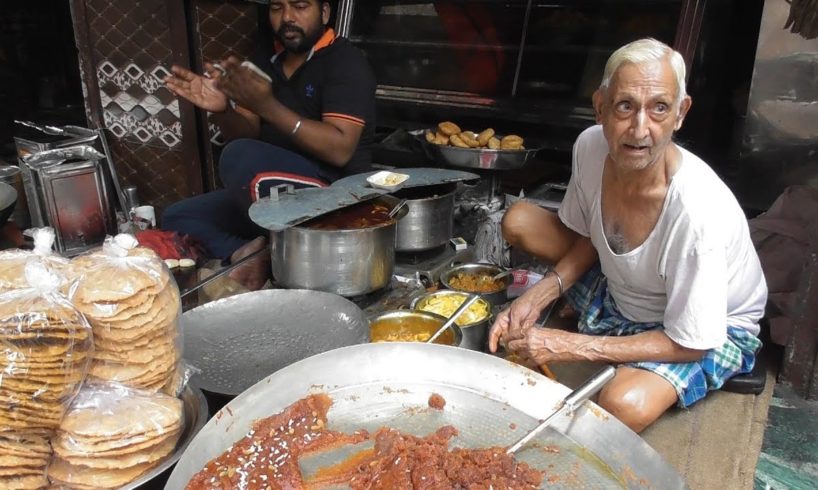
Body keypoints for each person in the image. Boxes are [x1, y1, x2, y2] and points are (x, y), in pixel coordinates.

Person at [488, 38, 767, 433]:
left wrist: (570, 346)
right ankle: (593, 317)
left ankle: (594, 329)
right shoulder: (590, 146)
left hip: (704, 326)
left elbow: (692, 341)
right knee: (520, 219)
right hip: (624, 289)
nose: (640, 129)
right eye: (625, 106)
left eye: (659, 108)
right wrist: (543, 291)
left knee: (622, 405)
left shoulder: (697, 213)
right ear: (600, 107)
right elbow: (592, 235)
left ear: (680, 114)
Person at [161, 0, 376, 290]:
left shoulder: (345, 62)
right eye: (277, 7)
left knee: (240, 156)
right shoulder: (266, 59)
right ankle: (254, 252)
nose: (287, 17)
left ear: (324, 12)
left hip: (335, 194)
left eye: (300, 6)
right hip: (273, 196)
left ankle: (285, 249)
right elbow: (244, 132)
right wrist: (223, 110)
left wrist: (268, 106)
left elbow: (340, 150)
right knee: (177, 217)